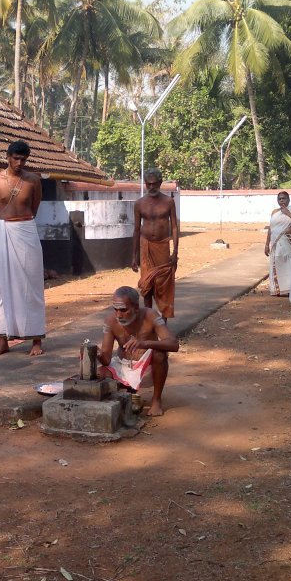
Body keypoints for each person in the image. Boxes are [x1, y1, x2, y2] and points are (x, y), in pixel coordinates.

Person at [0, 140, 46, 355]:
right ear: (8, 156)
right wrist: (7, 225)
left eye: (23, 159)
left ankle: (36, 339)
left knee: (32, 284)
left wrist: (20, 223)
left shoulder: (33, 180)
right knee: (3, 286)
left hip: (27, 229)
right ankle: (3, 338)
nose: (19, 163)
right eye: (15, 158)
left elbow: (35, 207)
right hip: (3, 232)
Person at [97, 286, 179, 417]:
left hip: (148, 368)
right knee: (100, 373)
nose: (118, 315)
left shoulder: (150, 315)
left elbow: (174, 344)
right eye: (116, 309)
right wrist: (97, 354)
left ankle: (156, 400)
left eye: (123, 310)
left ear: (136, 307)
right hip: (123, 367)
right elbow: (106, 359)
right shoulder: (110, 321)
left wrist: (144, 343)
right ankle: (124, 396)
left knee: (159, 354)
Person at [132, 168, 179, 319]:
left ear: (160, 183)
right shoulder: (139, 203)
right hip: (145, 246)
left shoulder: (168, 202)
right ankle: (149, 320)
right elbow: (136, 230)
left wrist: (175, 252)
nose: (151, 187)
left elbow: (174, 227)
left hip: (163, 247)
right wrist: (134, 256)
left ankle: (163, 323)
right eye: (148, 184)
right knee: (147, 286)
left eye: (154, 184)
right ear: (145, 184)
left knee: (163, 285)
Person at [265, 191, 291, 296]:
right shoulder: (274, 212)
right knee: (277, 262)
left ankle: (290, 288)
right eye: (280, 199)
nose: (282, 200)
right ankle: (278, 289)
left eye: (284, 198)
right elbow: (271, 228)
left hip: (287, 241)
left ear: (289, 200)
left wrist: (287, 213)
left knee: (289, 263)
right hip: (275, 242)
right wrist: (266, 244)